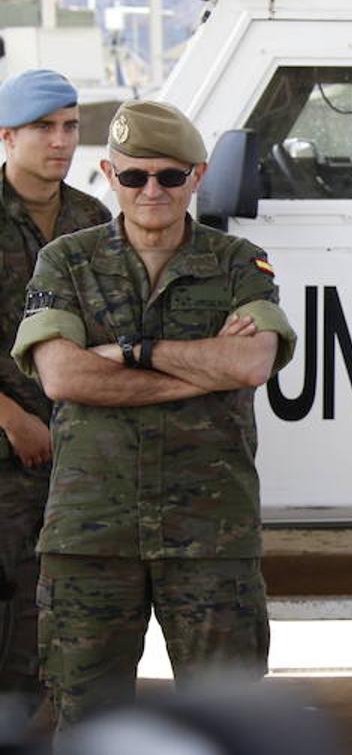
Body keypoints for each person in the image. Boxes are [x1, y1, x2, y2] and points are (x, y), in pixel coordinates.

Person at [8, 100, 296, 730]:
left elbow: (251, 362)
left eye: (170, 176)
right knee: (88, 725)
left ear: (196, 176)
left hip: (209, 536)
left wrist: (135, 354)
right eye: (134, 176)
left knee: (230, 725)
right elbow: (61, 375)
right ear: (109, 177)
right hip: (91, 538)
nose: (152, 191)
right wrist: (198, 376)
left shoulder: (238, 262)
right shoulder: (66, 261)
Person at [0, 70, 110, 716]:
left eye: (70, 126)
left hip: (76, 455)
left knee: (68, 612)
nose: (62, 141)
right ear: (8, 136)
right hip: (9, 448)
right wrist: (12, 418)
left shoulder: (89, 220)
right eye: (45, 127)